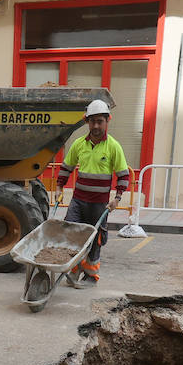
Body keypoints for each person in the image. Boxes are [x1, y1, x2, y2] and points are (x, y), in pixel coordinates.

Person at [53, 99, 130, 287]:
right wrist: (58, 188)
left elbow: (123, 176)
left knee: (96, 239)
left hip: (100, 205)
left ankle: (91, 276)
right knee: (72, 234)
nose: (96, 125)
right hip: (78, 201)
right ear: (86, 121)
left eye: (100, 121)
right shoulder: (79, 144)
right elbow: (66, 167)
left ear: (107, 121)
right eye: (92, 121)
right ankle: (73, 270)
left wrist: (117, 198)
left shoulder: (113, 147)